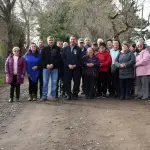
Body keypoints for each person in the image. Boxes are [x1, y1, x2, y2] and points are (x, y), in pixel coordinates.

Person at [40, 36, 61, 101]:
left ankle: (53, 96)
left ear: (53, 41)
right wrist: (46, 65)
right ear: (47, 41)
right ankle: (44, 96)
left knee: (54, 82)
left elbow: (59, 59)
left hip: (54, 68)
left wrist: (53, 64)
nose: (51, 41)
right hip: (46, 68)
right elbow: (42, 59)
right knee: (45, 82)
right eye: (49, 40)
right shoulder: (44, 49)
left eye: (52, 40)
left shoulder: (57, 48)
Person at [62, 35, 81, 100]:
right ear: (69, 40)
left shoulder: (78, 49)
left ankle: (75, 94)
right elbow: (63, 58)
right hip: (67, 68)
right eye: (71, 39)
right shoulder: (65, 49)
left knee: (76, 81)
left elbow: (80, 59)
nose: (72, 40)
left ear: (75, 40)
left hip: (76, 68)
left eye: (74, 39)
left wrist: (75, 65)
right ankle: (68, 94)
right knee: (67, 81)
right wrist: (68, 65)